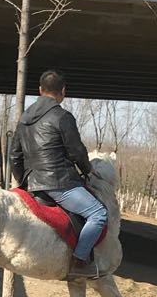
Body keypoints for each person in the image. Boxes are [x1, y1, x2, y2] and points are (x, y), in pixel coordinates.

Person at [9, 69, 107, 279]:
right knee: (98, 213)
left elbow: (14, 155)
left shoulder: (24, 118)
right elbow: (76, 151)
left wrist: (23, 182)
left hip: (32, 182)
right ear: (63, 91)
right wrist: (87, 170)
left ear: (40, 90)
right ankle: (80, 262)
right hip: (59, 184)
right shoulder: (62, 116)